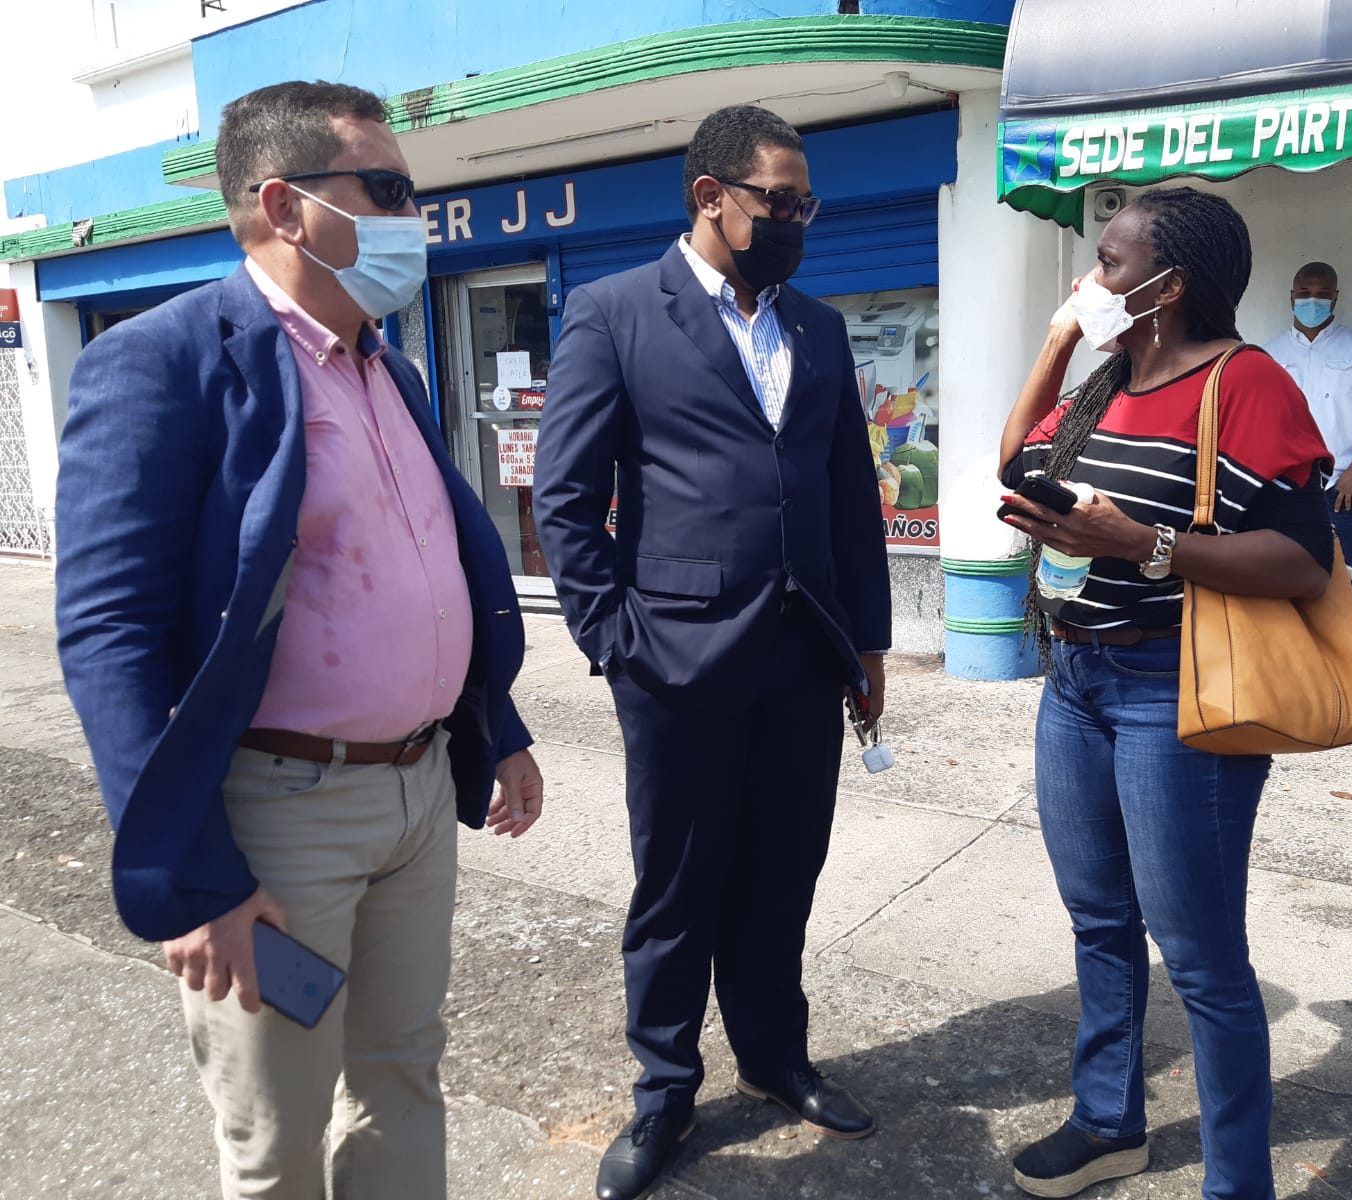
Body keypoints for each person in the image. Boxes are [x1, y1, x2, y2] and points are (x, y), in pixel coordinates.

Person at [54, 81, 544, 1200]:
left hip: (419, 798)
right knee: (277, 1134)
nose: (414, 216)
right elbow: (109, 634)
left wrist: (495, 728)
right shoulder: (168, 362)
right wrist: (186, 874)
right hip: (277, 827)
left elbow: (436, 571)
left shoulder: (392, 369)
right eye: (387, 190)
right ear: (283, 205)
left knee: (403, 1078)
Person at [533, 104, 891, 1200]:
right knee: (679, 886)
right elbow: (564, 494)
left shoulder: (818, 331)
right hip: (676, 661)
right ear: (711, 197)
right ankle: (665, 1090)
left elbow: (848, 500)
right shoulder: (613, 313)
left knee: (784, 871)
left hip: (802, 660)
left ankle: (776, 1055)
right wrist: (613, 641)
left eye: (804, 205)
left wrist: (867, 644)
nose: (794, 221)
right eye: (776, 203)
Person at [996, 187, 1334, 1200]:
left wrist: (1138, 544)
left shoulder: (1251, 383)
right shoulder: (1104, 384)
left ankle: (1237, 1184)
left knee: (1198, 955)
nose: (1091, 279)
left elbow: (1303, 563)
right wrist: (1060, 338)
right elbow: (1015, 466)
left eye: (1107, 263)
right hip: (1077, 682)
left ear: (1169, 284)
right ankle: (1109, 1122)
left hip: (1177, 694)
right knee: (1097, 920)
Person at [1263, 261, 1352, 582]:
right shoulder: (1268, 354)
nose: (1312, 301)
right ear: (1291, 296)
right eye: (1304, 293)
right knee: (1283, 584)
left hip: (1340, 490)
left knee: (1340, 584)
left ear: (1335, 298)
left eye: (1322, 294)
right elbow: (1260, 421)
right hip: (1285, 487)